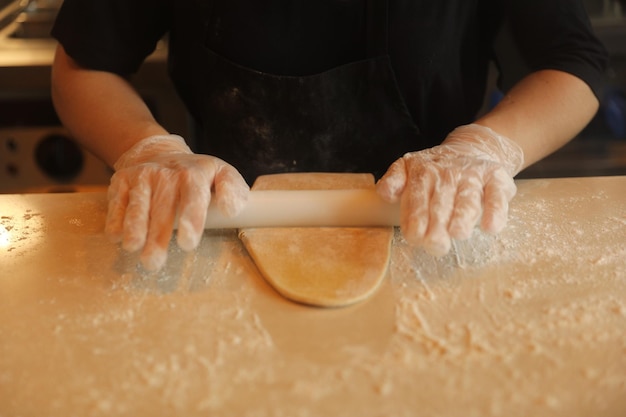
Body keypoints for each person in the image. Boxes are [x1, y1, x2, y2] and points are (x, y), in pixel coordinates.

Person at [50, 0, 608, 271]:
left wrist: (481, 149)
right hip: (219, 226)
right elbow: (85, 64)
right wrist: (149, 149)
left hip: (434, 225)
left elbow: (572, 64)